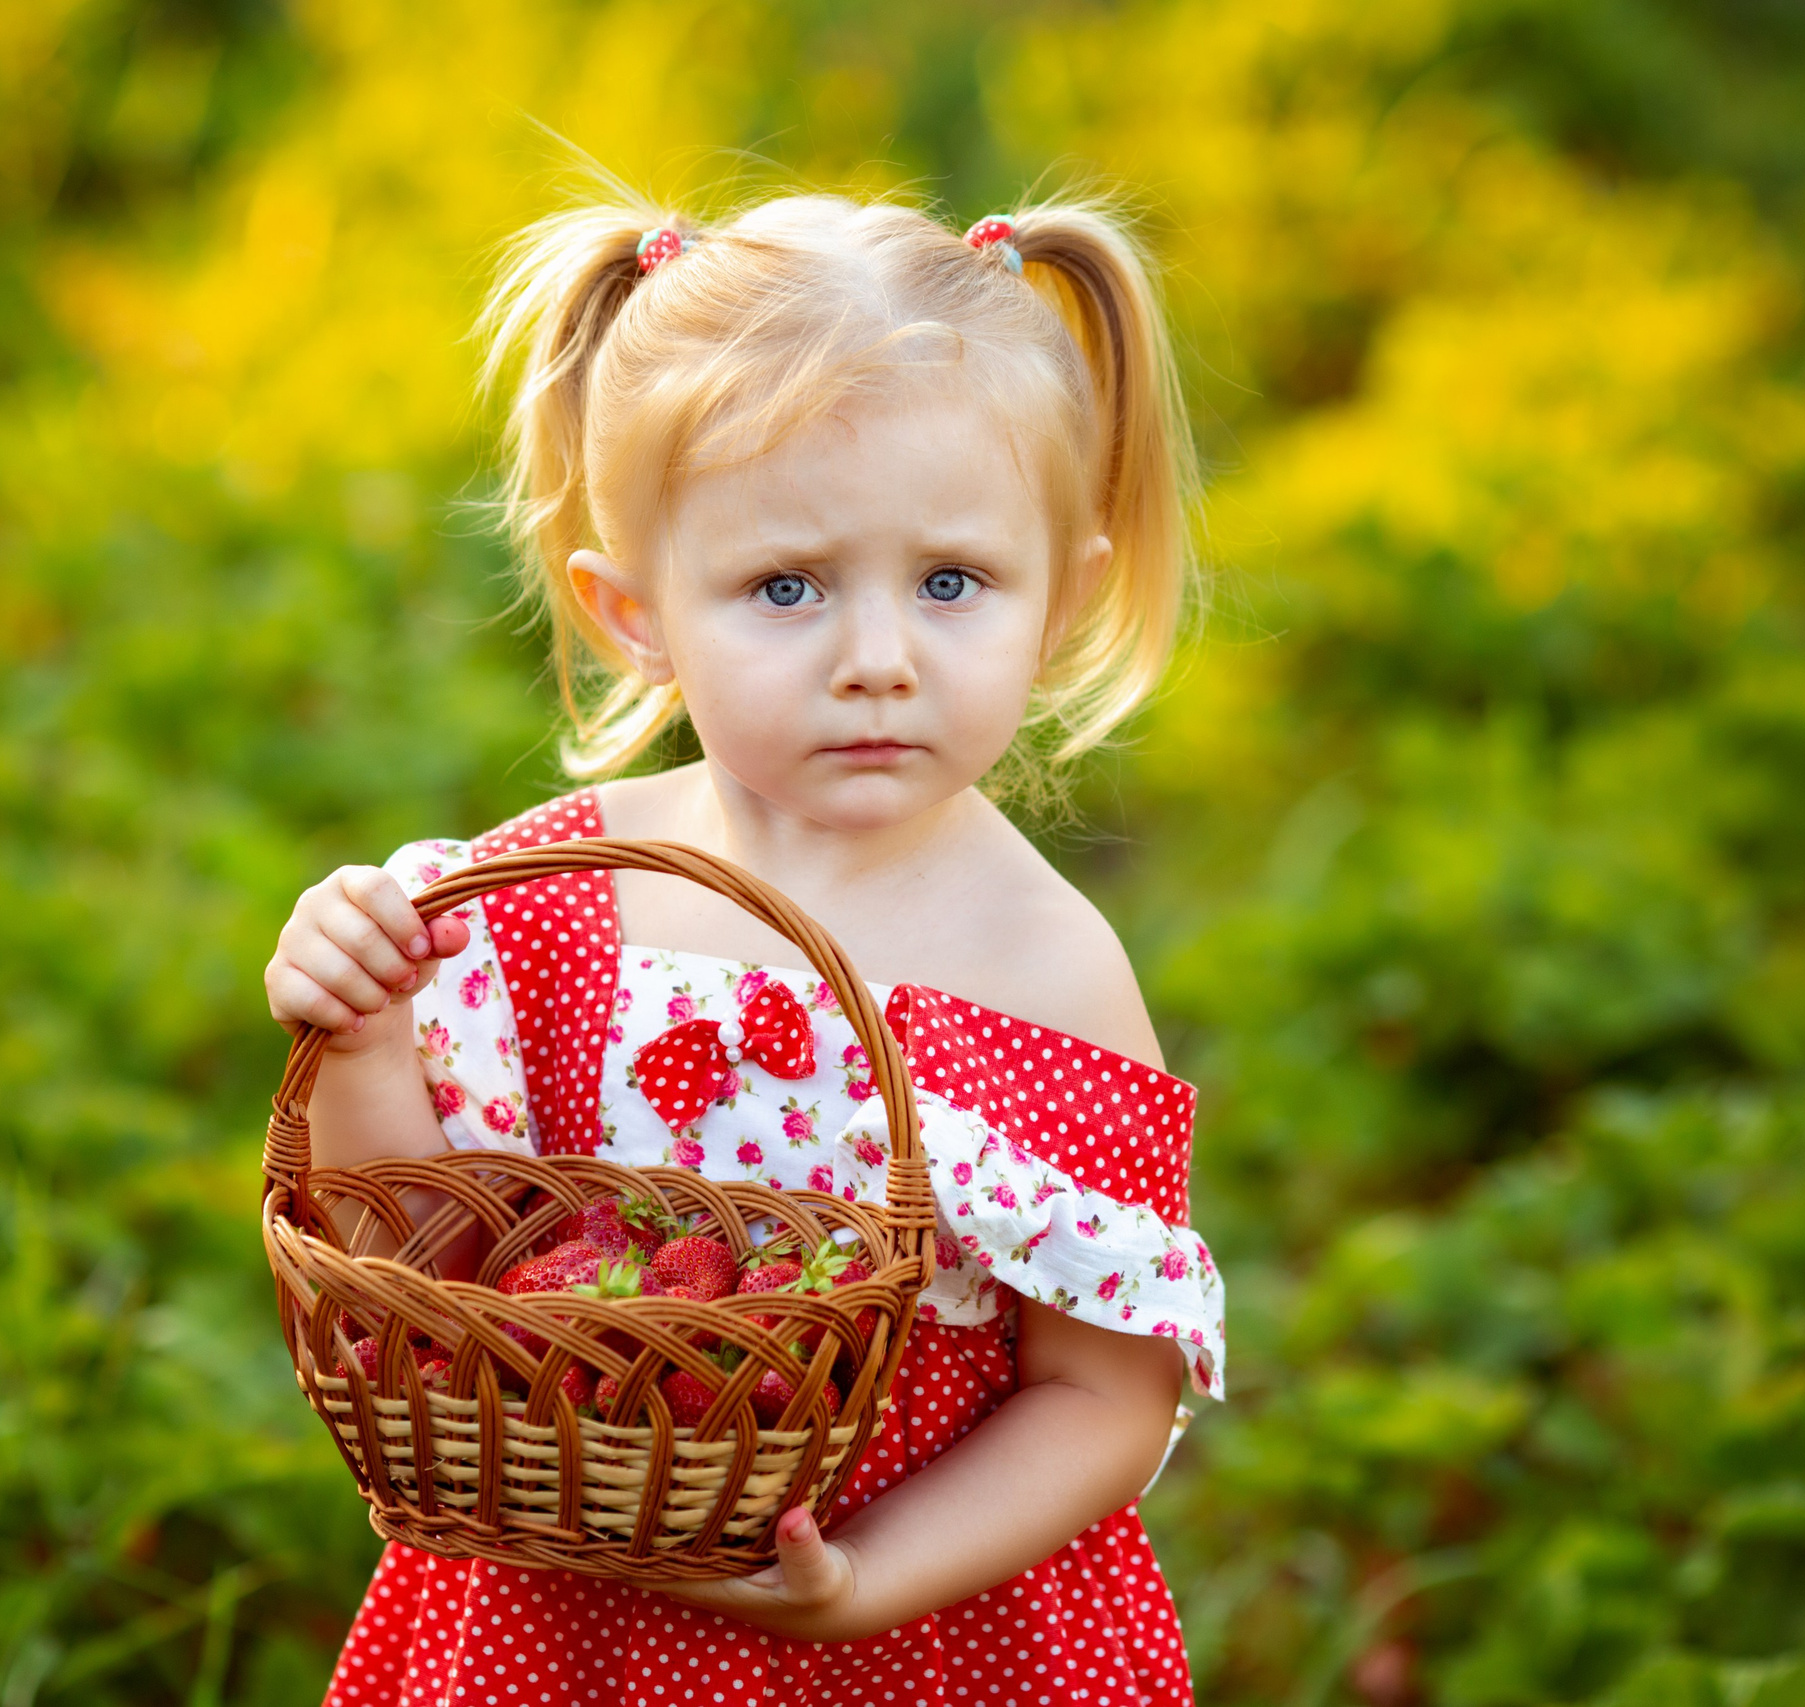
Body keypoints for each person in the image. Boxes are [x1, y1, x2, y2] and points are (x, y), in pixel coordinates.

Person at [263, 186, 1227, 1707]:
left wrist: (864, 1584)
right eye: (787, 587)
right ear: (637, 616)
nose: (878, 659)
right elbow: (429, 1265)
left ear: (1064, 600)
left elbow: (1105, 1396)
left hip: (917, 1636)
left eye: (954, 582)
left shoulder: (1049, 972)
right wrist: (366, 1038)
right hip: (560, 1608)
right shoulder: (542, 900)